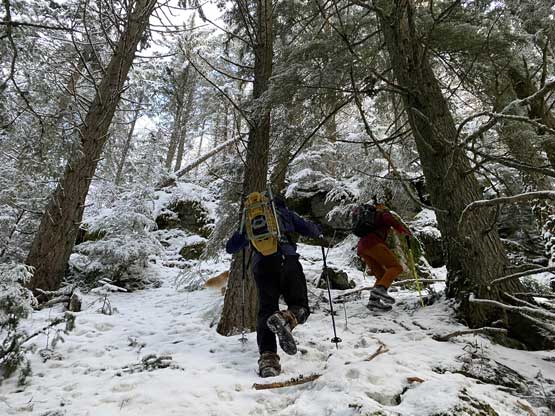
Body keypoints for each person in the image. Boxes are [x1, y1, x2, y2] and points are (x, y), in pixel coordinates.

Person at [226, 195, 322, 378]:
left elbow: (231, 247)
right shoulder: (284, 213)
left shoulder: (249, 220)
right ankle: (286, 318)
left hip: (262, 266)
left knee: (266, 309)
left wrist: (245, 234)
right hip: (287, 260)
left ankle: (268, 360)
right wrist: (319, 229)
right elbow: (311, 230)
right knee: (300, 305)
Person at [355, 203, 412, 311]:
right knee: (396, 267)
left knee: (381, 275)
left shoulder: (371, 219)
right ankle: (381, 290)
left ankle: (373, 301)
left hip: (362, 247)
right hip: (374, 243)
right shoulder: (383, 214)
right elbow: (390, 220)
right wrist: (403, 231)